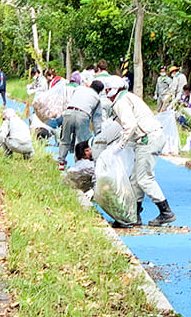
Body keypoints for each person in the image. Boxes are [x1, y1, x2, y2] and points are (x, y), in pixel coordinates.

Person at [104, 76, 176, 228]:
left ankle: (166, 212)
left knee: (144, 179)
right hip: (149, 137)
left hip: (147, 139)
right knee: (135, 180)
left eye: (108, 90)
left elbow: (129, 125)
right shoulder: (127, 97)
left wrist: (119, 146)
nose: (107, 94)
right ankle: (134, 215)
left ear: (115, 90)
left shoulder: (121, 102)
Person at [57, 80, 104, 171]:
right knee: (83, 143)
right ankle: (81, 164)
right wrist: (99, 136)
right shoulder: (97, 99)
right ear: (100, 91)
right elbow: (96, 120)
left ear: (90, 85)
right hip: (83, 116)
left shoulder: (79, 89)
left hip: (68, 113)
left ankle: (61, 162)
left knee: (65, 139)